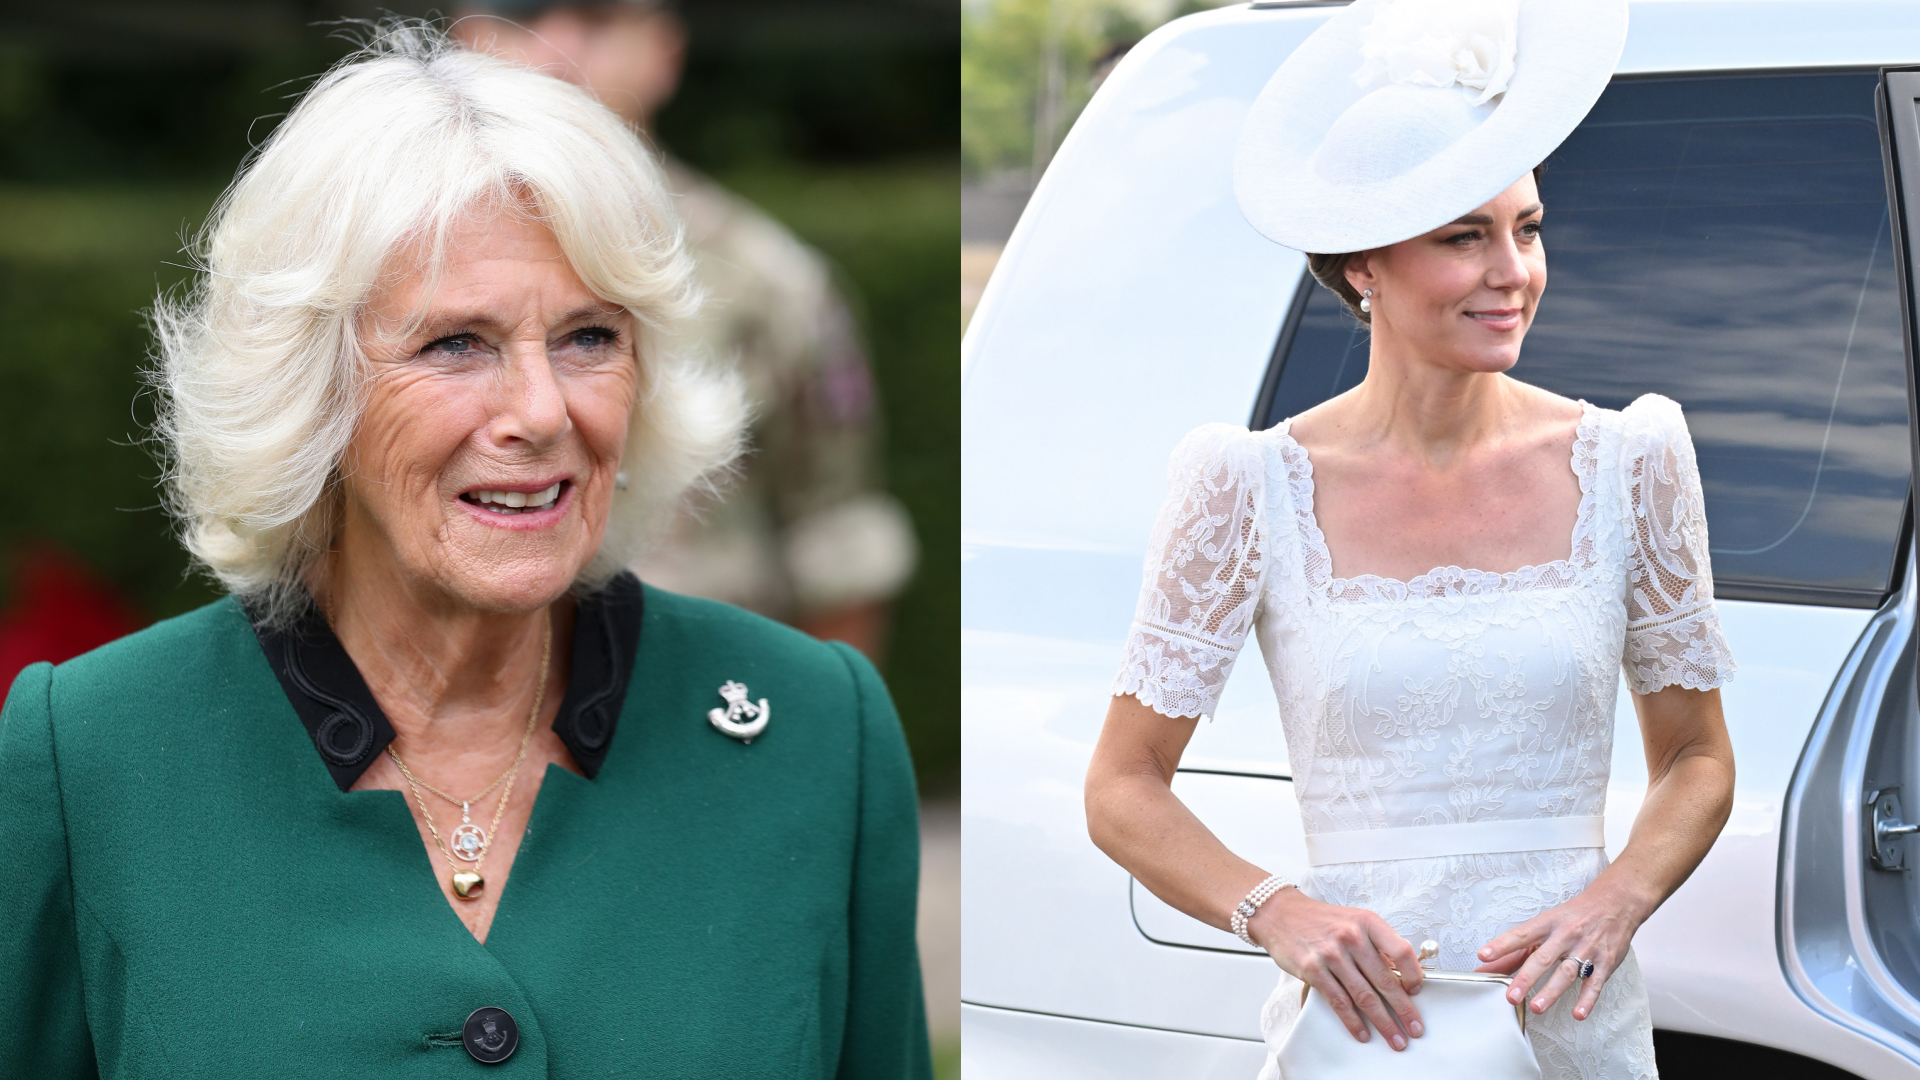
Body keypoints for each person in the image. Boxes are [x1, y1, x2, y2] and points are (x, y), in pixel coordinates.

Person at [0, 24, 930, 1077]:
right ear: (312, 392)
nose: (541, 410)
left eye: (590, 337)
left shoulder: (819, 732)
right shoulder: (88, 757)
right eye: (456, 344)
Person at [1082, 2, 1735, 1078]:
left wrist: (1618, 899)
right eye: (1462, 236)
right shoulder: (1247, 485)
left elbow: (1700, 757)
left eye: (1525, 227)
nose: (1513, 270)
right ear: (1363, 267)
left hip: (1577, 1031)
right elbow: (1122, 785)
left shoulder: (1633, 460)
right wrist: (1278, 913)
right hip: (1367, 1043)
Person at [450, 0, 918, 659]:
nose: (553, 45)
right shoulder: (378, 267)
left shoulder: (770, 280)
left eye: (595, 18)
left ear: (662, 52)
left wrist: (807, 751)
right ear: (462, 44)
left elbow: (839, 552)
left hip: (700, 704)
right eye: (520, 14)